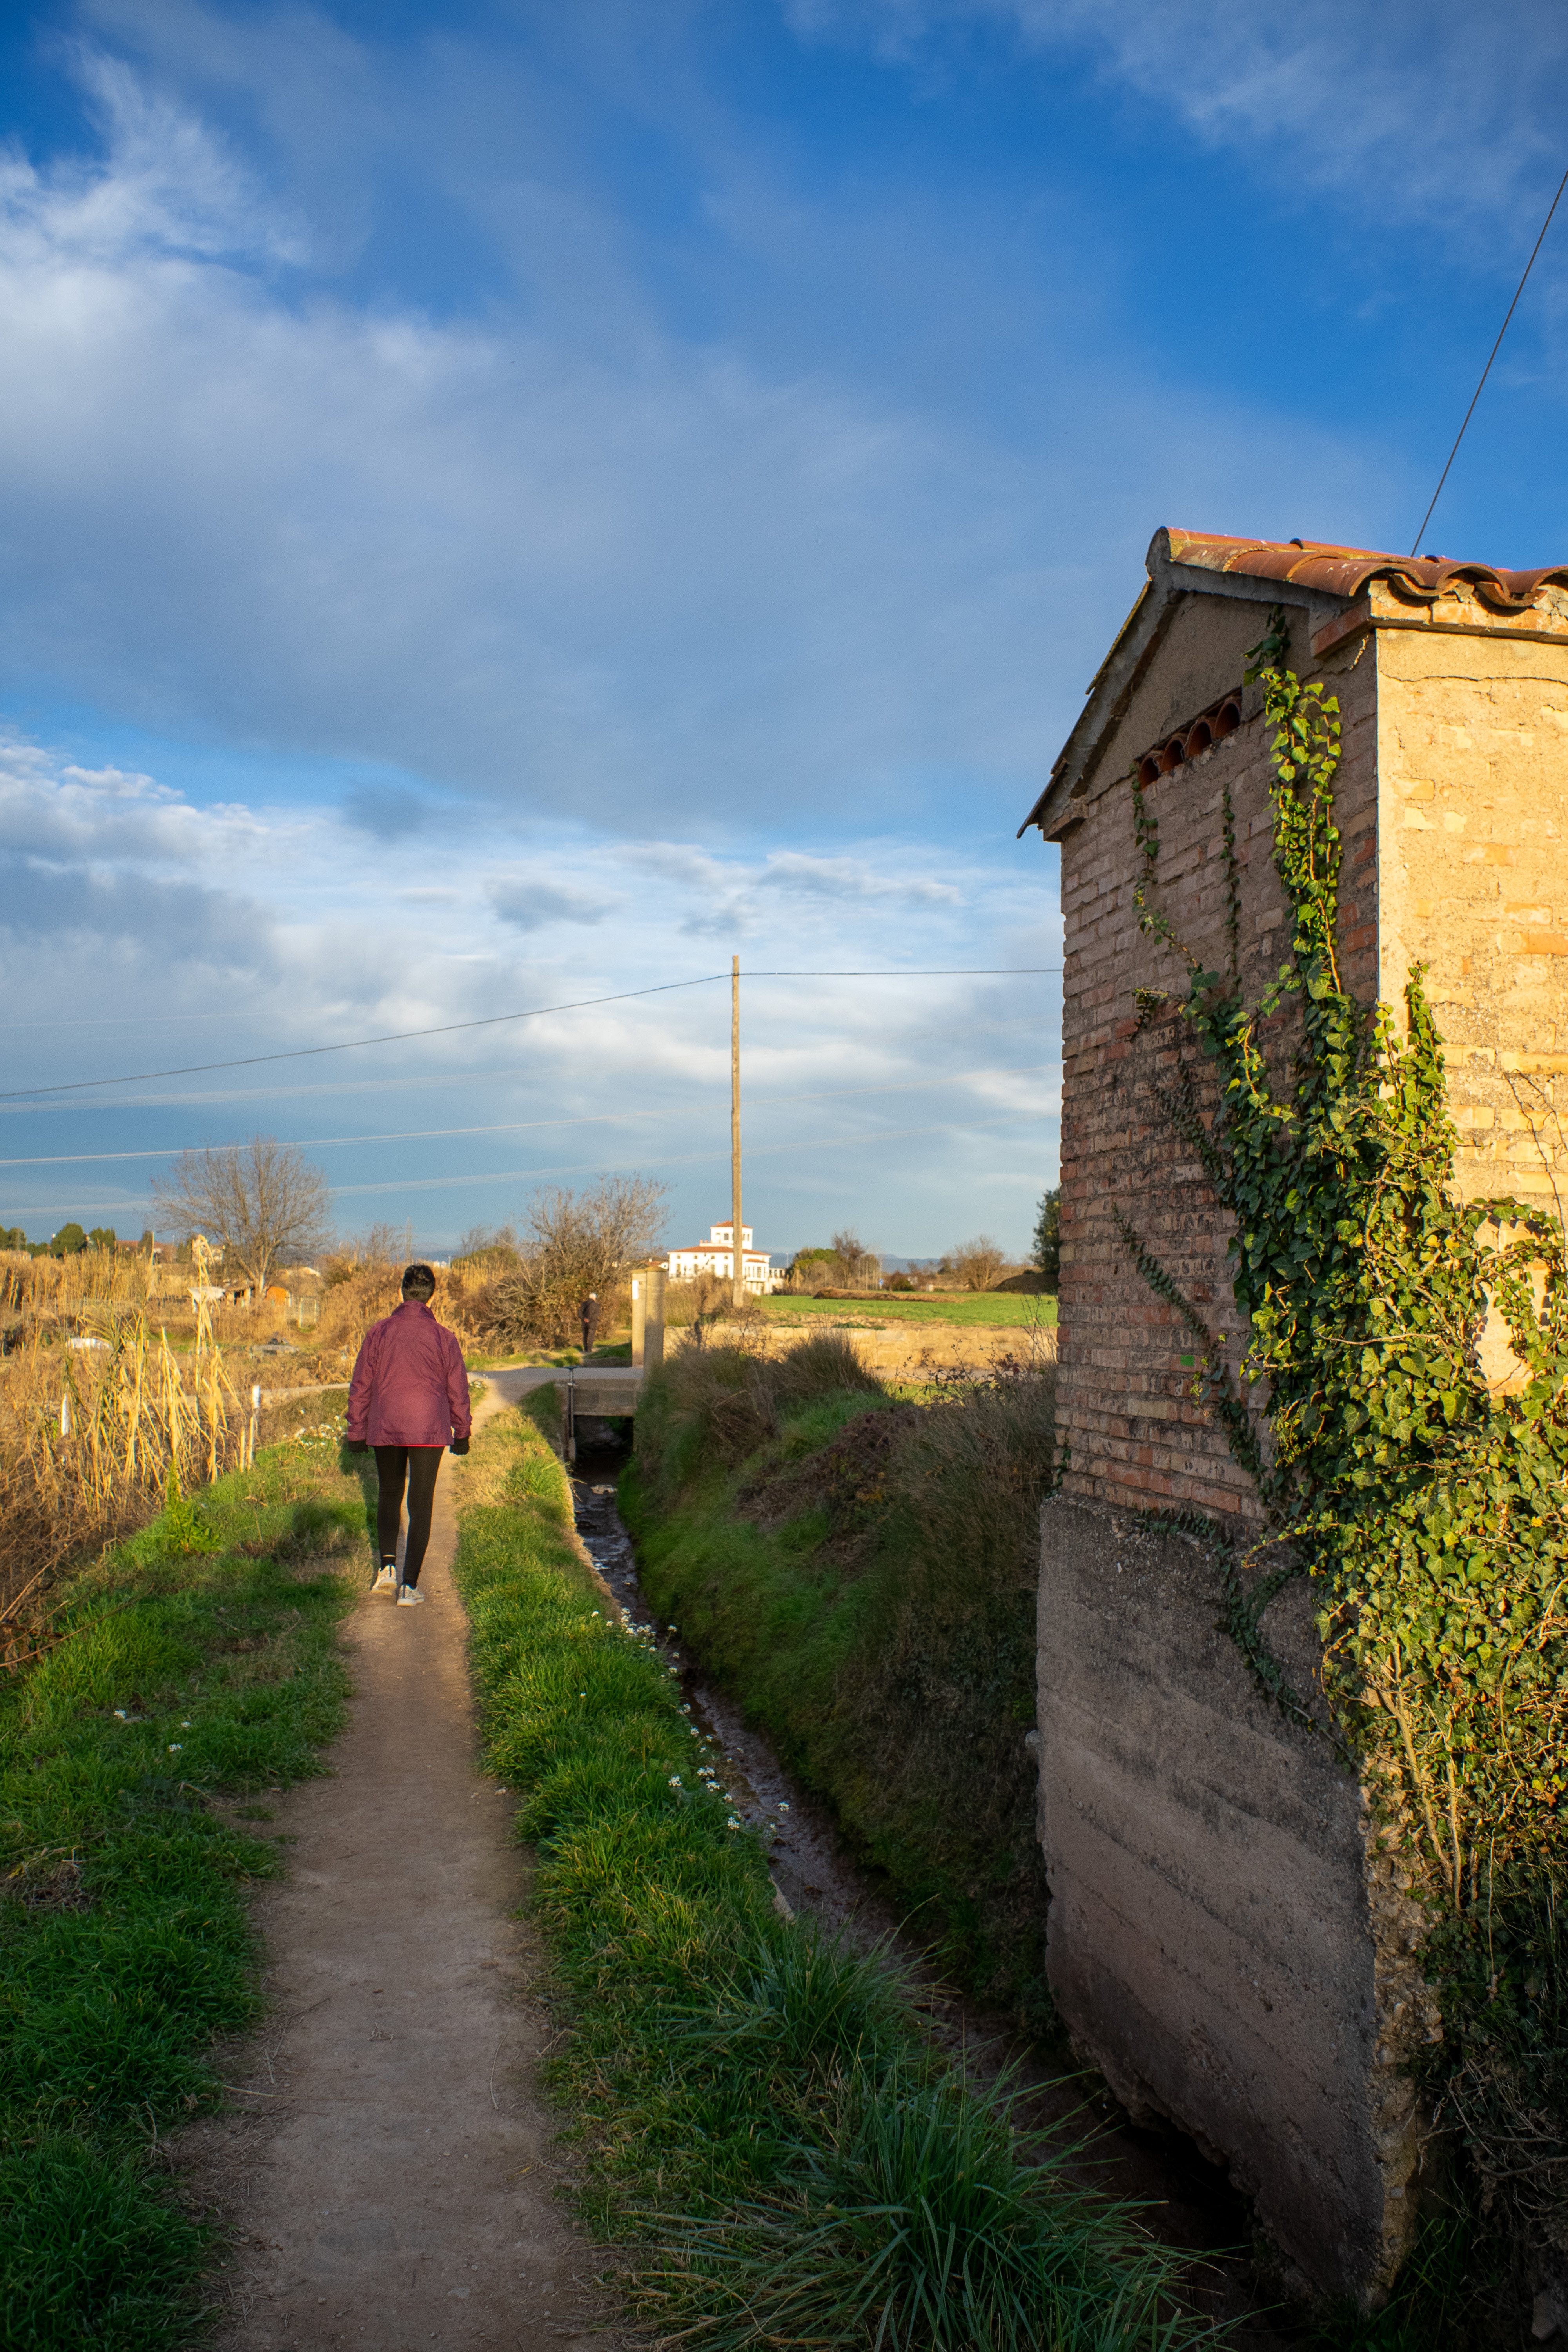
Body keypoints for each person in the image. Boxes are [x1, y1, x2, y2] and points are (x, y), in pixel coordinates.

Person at [345, 1262, 471, 1606]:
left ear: (401, 1291)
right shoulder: (444, 1337)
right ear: (432, 1296)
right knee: (421, 1501)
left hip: (386, 1422)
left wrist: (356, 1430)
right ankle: (409, 1587)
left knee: (388, 1491)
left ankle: (386, 1570)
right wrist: (462, 1432)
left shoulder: (379, 1332)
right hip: (429, 1427)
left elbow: (361, 1386)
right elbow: (457, 1389)